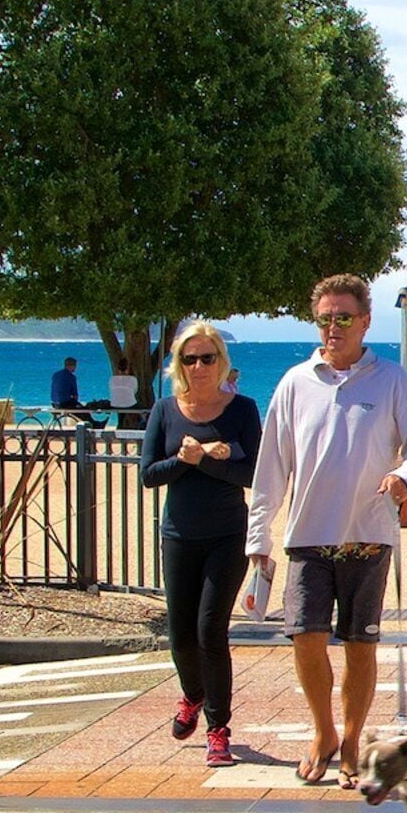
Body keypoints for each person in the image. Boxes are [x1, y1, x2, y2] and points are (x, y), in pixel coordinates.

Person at [249, 274, 407, 784]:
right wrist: (258, 542)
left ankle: (352, 738)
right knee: (305, 639)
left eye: (344, 318)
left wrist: (405, 476)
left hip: (369, 533)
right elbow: (271, 468)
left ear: (365, 321)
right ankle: (324, 731)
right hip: (307, 536)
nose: (333, 328)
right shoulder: (294, 383)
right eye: (325, 318)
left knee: (359, 644)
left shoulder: (392, 379)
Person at [141, 320, 258, 767]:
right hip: (179, 535)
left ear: (221, 362)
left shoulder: (242, 410)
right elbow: (150, 475)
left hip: (227, 534)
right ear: (178, 366)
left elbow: (254, 475)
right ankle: (191, 695)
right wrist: (183, 460)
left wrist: (217, 459)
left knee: (211, 630)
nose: (199, 366)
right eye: (189, 359)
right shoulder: (165, 410)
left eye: (207, 358)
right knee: (181, 634)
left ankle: (218, 728)